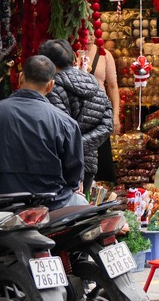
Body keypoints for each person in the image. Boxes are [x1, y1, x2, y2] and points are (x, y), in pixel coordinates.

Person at [0, 54, 84, 202]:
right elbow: (74, 176)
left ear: (20, 78)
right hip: (48, 202)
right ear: (50, 85)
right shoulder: (65, 122)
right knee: (81, 202)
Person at [41, 39, 115, 191]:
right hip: (88, 163)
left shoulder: (52, 89)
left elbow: (59, 128)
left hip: (61, 165)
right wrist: (82, 145)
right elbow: (107, 124)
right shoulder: (95, 85)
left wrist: (74, 147)